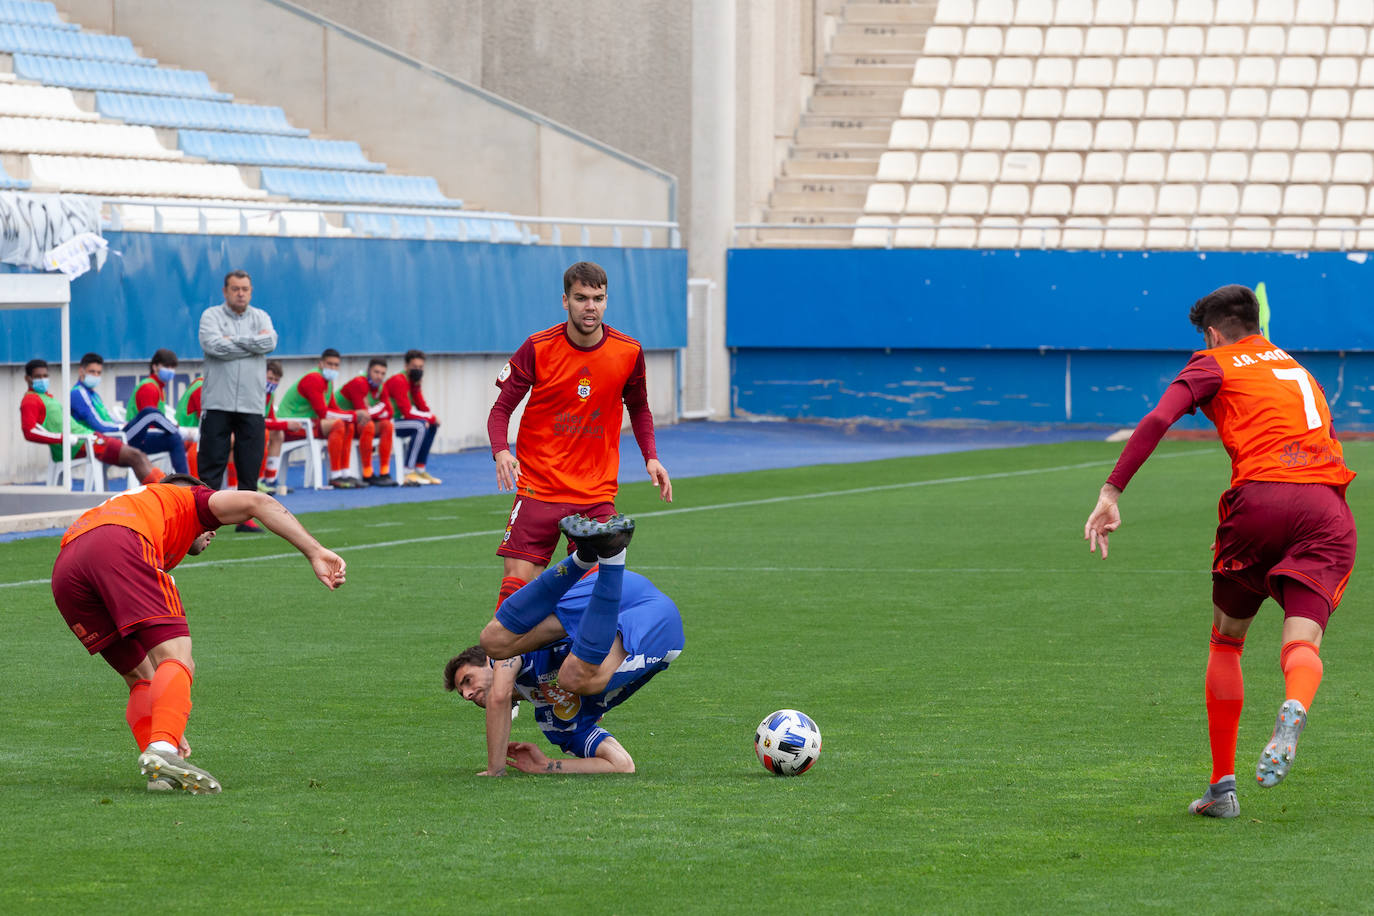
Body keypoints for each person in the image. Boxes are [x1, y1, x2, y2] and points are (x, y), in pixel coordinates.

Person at [1083, 284, 1357, 819]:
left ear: (1212, 333)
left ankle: (1222, 789)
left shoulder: (1213, 362)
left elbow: (1160, 419)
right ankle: (1296, 703)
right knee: (1302, 642)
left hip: (1259, 500)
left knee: (1227, 641)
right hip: (1326, 508)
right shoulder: (1300, 371)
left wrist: (1111, 491)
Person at [50, 473, 346, 792]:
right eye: (211, 528)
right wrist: (315, 552)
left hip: (66, 567)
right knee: (178, 658)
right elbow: (258, 501)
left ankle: (160, 771)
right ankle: (164, 750)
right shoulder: (192, 500)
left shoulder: (134, 505)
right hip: (119, 542)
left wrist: (169, 717)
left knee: (141, 678)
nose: (213, 532)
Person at [486, 261, 672, 611]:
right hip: (539, 486)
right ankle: (506, 664)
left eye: (598, 298)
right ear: (565, 300)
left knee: (595, 594)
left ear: (606, 300)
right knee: (515, 589)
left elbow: (640, 408)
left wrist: (651, 456)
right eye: (581, 298)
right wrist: (501, 451)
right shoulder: (538, 347)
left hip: (594, 492)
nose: (590, 306)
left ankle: (565, 664)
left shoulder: (628, 352)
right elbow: (500, 411)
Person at [446, 514, 683, 775]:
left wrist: (495, 768)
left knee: (495, 643)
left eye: (467, 680)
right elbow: (622, 765)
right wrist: (547, 766)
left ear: (486, 664)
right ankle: (608, 554)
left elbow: (500, 695)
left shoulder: (513, 660)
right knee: (571, 676)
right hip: (651, 622)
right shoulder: (554, 720)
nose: (467, 694)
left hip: (621, 595)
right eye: (462, 694)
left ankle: (583, 558)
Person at [22, 359, 163, 486]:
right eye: (38, 377)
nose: (43, 380)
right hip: (80, 445)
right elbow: (29, 432)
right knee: (135, 457)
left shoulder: (46, 397)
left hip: (90, 437)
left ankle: (165, 488)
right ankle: (160, 495)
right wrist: (63, 438)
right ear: (28, 379)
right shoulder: (30, 400)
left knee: (139, 454)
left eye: (45, 376)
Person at [198, 269, 277, 497]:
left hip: (251, 403)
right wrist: (253, 344)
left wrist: (233, 340)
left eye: (245, 289)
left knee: (249, 468)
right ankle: (204, 524)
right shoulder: (211, 316)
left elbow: (270, 342)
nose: (240, 294)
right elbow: (213, 346)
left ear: (251, 292)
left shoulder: (261, 316)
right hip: (217, 403)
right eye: (235, 289)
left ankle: (246, 520)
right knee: (211, 467)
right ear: (225, 291)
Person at [277, 348, 362, 489]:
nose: (333, 368)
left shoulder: (328, 382)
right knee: (339, 424)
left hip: (308, 424)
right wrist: (354, 415)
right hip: (292, 425)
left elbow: (334, 408)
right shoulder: (314, 379)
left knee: (349, 425)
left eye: (336, 365)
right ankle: (335, 476)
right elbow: (323, 413)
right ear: (321, 363)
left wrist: (351, 417)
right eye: (330, 364)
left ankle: (344, 473)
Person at [123, 348, 190, 475]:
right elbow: (150, 421)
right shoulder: (149, 387)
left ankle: (184, 480)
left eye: (172, 367)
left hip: (142, 435)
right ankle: (186, 483)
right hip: (137, 438)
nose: (170, 370)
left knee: (176, 438)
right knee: (175, 439)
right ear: (154, 367)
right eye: (166, 366)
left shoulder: (157, 387)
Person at [383, 349, 441, 486]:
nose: (418, 370)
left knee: (431, 425)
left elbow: (423, 407)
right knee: (420, 425)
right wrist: (430, 417)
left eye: (421, 367)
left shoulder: (412, 382)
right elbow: (407, 412)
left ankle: (420, 469)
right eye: (415, 367)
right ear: (406, 366)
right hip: (387, 422)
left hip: (397, 421)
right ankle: (407, 471)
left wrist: (416, 388)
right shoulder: (399, 380)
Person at [337, 357, 398, 487]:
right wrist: (380, 408)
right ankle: (368, 473)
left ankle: (384, 472)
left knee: (387, 425)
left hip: (355, 423)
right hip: (342, 423)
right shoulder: (359, 383)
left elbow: (390, 412)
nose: (379, 376)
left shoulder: (381, 387)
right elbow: (363, 415)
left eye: (382, 373)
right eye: (376, 372)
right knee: (368, 425)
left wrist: (374, 410)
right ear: (368, 371)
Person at [261, 359, 307, 492]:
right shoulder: (256, 393)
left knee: (278, 433)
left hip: (260, 428)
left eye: (276, 380)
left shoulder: (271, 395)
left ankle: (270, 479)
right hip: (245, 429)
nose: (273, 383)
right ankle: (257, 480)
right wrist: (287, 424)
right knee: (263, 432)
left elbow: (271, 419)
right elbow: (258, 421)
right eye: (270, 378)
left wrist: (284, 426)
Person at [69, 352, 124, 437]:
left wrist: (125, 424)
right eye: (92, 372)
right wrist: (120, 427)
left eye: (99, 373)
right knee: (147, 414)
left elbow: (110, 417)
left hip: (110, 437)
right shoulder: (78, 393)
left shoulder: (95, 395)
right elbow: (97, 425)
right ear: (81, 371)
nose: (96, 375)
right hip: (92, 442)